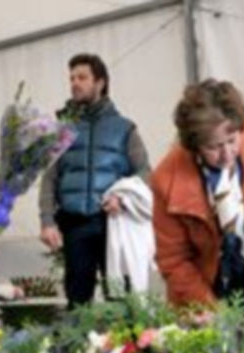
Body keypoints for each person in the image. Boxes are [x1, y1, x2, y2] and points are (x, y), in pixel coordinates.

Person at [152, 79, 244, 319]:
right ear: (194, 145)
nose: (226, 154)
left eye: (232, 140)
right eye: (213, 147)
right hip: (205, 286)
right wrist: (213, 313)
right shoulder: (166, 178)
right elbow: (173, 260)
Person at [38, 53, 151, 308]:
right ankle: (80, 348)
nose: (75, 83)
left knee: (122, 299)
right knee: (77, 302)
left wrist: (122, 198)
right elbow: (50, 178)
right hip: (75, 226)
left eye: (82, 77)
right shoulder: (62, 129)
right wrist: (47, 221)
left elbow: (145, 172)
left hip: (114, 225)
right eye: (72, 78)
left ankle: (130, 347)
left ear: (100, 82)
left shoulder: (125, 129)